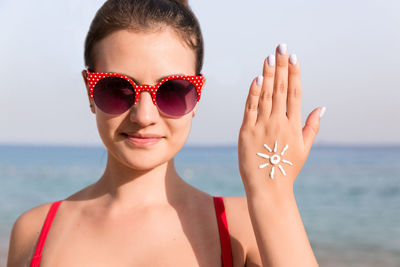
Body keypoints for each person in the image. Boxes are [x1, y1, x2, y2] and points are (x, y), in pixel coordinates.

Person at [7, 0, 325, 266]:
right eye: (117, 89)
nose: (144, 116)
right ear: (90, 92)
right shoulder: (34, 230)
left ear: (196, 97)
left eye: (171, 90)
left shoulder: (241, 227)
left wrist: (273, 193)